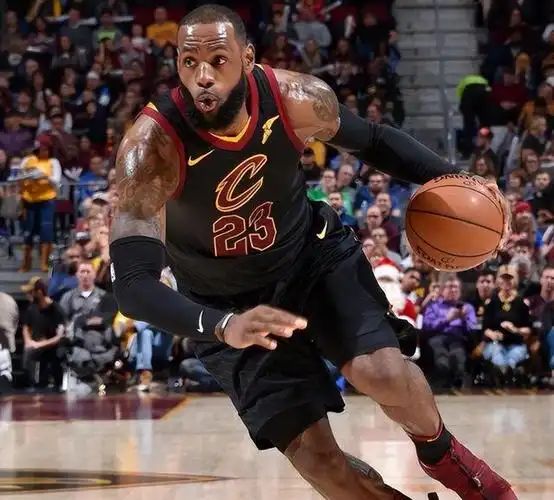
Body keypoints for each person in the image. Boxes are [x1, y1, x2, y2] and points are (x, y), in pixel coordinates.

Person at [109, 5, 514, 499]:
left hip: (311, 259)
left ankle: (451, 462)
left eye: (218, 60)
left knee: (381, 373)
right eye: (189, 62)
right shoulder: (151, 148)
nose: (204, 76)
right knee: (321, 464)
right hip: (226, 305)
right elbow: (132, 286)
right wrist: (222, 325)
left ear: (247, 58)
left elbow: (374, 141)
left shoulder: (295, 98)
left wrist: (463, 182)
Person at [422, 277, 477, 389]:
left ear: (460, 291)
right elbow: (427, 326)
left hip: (458, 338)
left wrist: (463, 319)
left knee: (458, 360)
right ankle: (439, 388)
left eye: (456, 287)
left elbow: (472, 329)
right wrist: (447, 319)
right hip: (437, 337)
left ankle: (458, 388)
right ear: (442, 290)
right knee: (442, 362)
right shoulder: (434, 306)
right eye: (450, 287)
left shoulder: (467, 308)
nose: (453, 290)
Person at [18, 134, 61, 272]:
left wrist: (45, 176)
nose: (43, 151)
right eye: (41, 149)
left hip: (46, 200)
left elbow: (57, 181)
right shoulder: (27, 160)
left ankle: (44, 263)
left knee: (46, 231)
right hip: (29, 200)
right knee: (28, 232)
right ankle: (26, 263)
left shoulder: (53, 162)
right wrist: (28, 176)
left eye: (46, 149)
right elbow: (18, 177)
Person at [482, 265, 531, 376]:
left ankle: (507, 373)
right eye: (503, 278)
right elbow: (485, 328)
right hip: (495, 343)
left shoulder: (522, 303)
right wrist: (493, 334)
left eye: (509, 278)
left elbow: (528, 330)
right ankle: (503, 374)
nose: (506, 282)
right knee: (498, 358)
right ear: (498, 280)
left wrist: (514, 329)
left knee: (512, 359)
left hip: (516, 344)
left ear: (515, 280)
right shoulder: (491, 302)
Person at [21, 277, 65, 391]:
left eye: (31, 292)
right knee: (29, 353)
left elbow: (59, 337)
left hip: (53, 350)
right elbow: (26, 327)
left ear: (39, 292)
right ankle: (31, 384)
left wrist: (39, 344)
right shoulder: (31, 308)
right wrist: (28, 341)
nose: (28, 295)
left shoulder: (57, 310)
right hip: (36, 348)